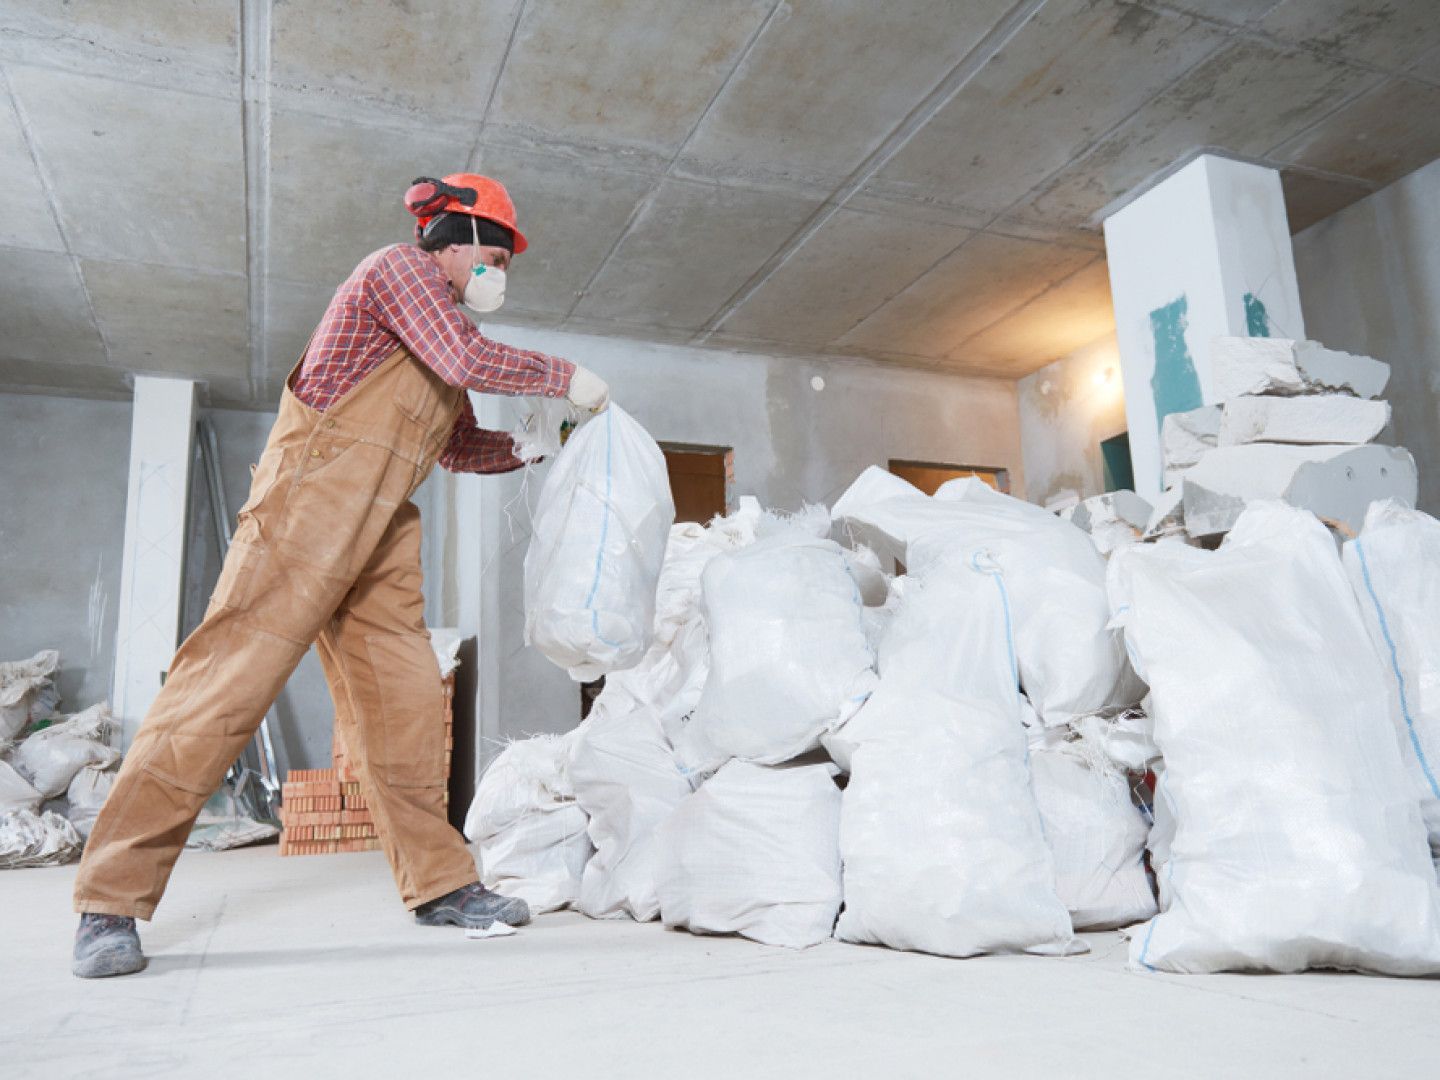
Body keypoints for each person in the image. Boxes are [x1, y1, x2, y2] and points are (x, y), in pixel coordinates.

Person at [70, 173, 609, 978]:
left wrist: (533, 448)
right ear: (453, 239)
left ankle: (440, 886)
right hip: (307, 508)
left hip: (382, 530)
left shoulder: (441, 331)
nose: (500, 273)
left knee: (405, 712)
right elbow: (464, 354)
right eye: (494, 257)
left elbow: (457, 447)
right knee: (221, 694)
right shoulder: (401, 272)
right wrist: (562, 375)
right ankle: (108, 902)